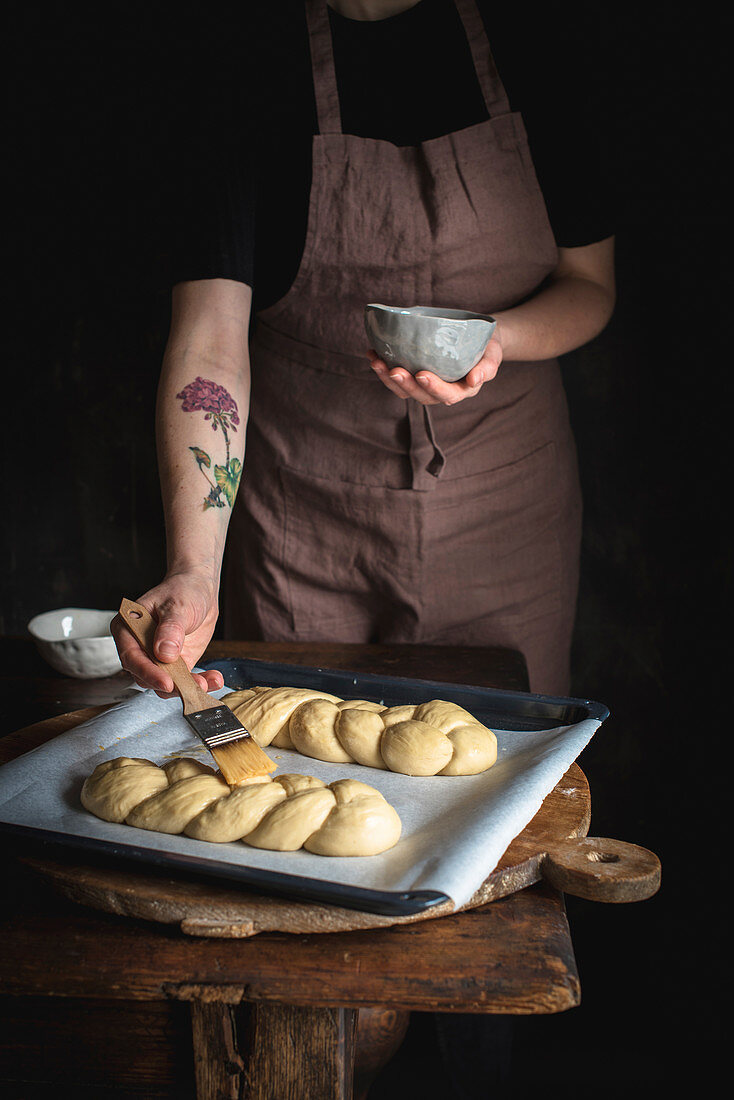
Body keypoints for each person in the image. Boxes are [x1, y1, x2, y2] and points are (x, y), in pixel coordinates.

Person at [113, 0, 615, 702]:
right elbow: (210, 346)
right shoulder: (240, 52)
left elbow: (591, 286)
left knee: (502, 762)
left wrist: (497, 340)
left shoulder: (534, 33)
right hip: (302, 517)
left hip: (507, 505)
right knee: (296, 762)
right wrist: (195, 570)